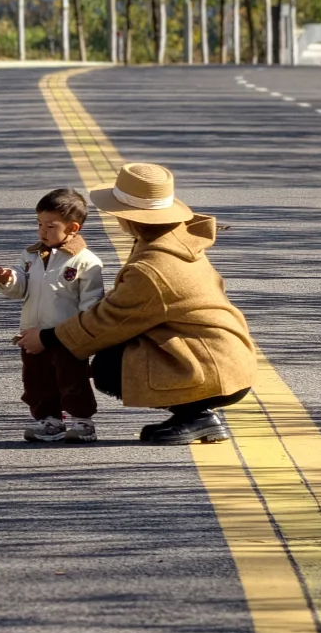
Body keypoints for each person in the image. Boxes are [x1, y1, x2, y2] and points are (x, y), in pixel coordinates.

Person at [16, 162, 256, 447]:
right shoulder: (174, 237)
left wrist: (48, 337)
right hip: (227, 359)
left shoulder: (153, 267)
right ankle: (192, 413)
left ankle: (196, 415)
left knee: (109, 366)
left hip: (210, 369)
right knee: (114, 349)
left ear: (129, 217)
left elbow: (109, 320)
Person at [0, 187, 105, 445]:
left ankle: (82, 421)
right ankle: (49, 420)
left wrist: (82, 333)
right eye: (39, 224)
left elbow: (91, 302)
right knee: (37, 380)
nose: (42, 231)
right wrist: (9, 278)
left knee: (72, 379)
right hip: (32, 333)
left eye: (50, 226)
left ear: (73, 228)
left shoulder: (86, 262)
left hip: (66, 336)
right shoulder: (31, 255)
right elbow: (20, 288)